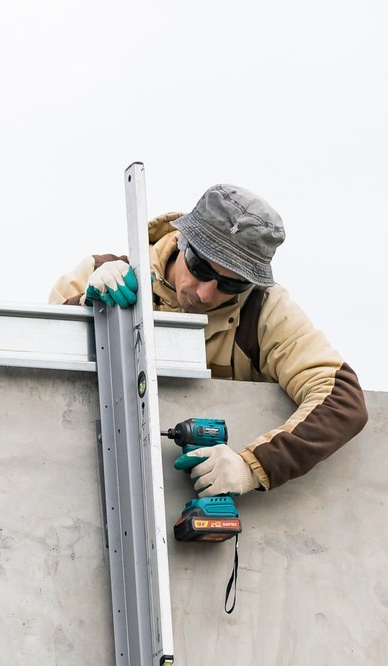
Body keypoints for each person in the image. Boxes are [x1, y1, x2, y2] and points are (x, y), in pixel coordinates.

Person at [50, 183, 367, 495]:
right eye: (200, 267)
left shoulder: (264, 310)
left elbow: (342, 400)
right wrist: (85, 306)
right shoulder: (100, 271)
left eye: (230, 286)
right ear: (180, 240)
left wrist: (253, 466)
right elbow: (29, 383)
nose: (205, 294)